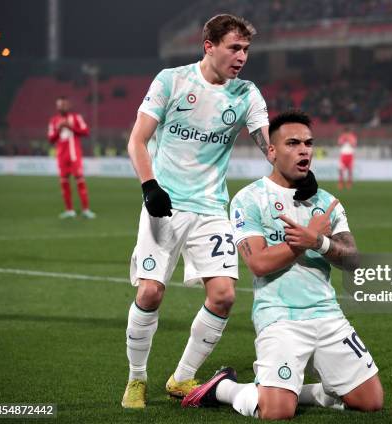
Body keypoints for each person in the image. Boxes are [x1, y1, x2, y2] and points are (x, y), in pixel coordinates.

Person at [182, 110, 384, 418]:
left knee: (371, 401)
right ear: (271, 152)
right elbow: (259, 263)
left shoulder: (325, 202)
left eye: (308, 143)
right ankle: (224, 387)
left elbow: (353, 260)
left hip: (327, 314)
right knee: (277, 412)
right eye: (292, 143)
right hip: (279, 318)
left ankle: (296, 390)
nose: (304, 149)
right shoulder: (250, 199)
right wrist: (303, 241)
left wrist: (319, 242)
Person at [121, 14, 275, 409]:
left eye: (246, 50)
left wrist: (290, 165)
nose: (241, 57)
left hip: (210, 207)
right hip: (165, 205)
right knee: (151, 292)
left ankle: (182, 377)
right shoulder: (171, 81)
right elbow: (138, 140)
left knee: (223, 296)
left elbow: (266, 143)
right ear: (209, 46)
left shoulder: (246, 94)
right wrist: (149, 185)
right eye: (234, 48)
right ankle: (137, 379)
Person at [47, 96, 96, 219]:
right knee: (64, 184)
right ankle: (69, 210)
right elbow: (51, 139)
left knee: (80, 182)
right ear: (57, 107)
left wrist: (70, 127)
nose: (61, 107)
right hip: (62, 157)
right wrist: (59, 129)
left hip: (74, 156)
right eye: (59, 105)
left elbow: (86, 132)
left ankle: (86, 210)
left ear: (68, 105)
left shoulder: (76, 118)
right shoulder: (54, 121)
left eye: (64, 104)